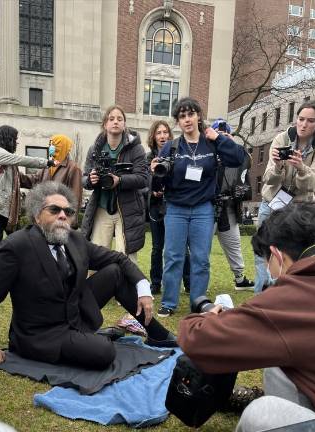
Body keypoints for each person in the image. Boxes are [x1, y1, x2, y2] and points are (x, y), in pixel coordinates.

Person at [0, 182, 176, 370]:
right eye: (54, 210)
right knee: (104, 352)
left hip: (75, 315)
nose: (63, 215)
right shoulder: (16, 246)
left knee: (114, 271)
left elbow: (119, 259)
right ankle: (92, 339)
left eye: (68, 211)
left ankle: (157, 335)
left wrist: (143, 287)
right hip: (42, 334)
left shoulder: (74, 239)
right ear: (36, 215)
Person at [178, 202, 315, 432]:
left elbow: (196, 340)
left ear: (276, 256)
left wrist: (208, 316)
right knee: (279, 366)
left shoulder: (295, 296)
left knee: (261, 414)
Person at [151, 97, 245, 317]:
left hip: (203, 208)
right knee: (173, 256)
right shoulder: (171, 147)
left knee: (201, 257)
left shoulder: (211, 142)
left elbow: (238, 158)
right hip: (176, 208)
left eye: (190, 114)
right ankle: (169, 302)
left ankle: (199, 301)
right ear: (178, 121)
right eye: (182, 116)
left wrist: (219, 139)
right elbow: (158, 184)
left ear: (198, 116)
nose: (187, 119)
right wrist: (154, 172)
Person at [254, 100, 315, 293]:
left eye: (310, 121)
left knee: (296, 256)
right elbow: (268, 180)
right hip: (272, 203)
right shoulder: (282, 138)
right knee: (263, 254)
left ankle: (287, 297)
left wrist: (300, 167)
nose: (304, 124)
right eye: (300, 119)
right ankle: (261, 298)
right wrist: (278, 166)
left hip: (300, 209)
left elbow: (314, 184)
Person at [81, 105, 148, 263]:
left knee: (126, 256)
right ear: (105, 124)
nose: (115, 122)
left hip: (127, 209)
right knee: (97, 252)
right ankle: (96, 287)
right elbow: (84, 179)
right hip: (102, 207)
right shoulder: (94, 149)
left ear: (124, 124)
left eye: (119, 119)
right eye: (111, 119)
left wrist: (120, 180)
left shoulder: (136, 148)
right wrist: (91, 180)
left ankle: (127, 287)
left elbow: (143, 178)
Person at [0, 125, 53, 260]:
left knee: (14, 237)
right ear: (8, 138)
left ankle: (10, 267)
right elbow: (20, 159)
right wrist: (46, 162)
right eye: (15, 139)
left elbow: (17, 178)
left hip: (2, 205)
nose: (16, 142)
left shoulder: (4, 156)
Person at [146, 120, 190, 295]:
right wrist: (152, 183)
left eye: (165, 132)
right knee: (157, 247)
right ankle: (155, 282)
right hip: (156, 207)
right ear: (153, 136)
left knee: (182, 246)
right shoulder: (148, 158)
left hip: (174, 206)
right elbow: (144, 184)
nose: (163, 136)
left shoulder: (178, 154)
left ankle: (188, 281)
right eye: (159, 133)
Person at [211, 118, 254, 291]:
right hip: (209, 205)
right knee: (201, 245)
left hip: (229, 206)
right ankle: (192, 281)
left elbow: (247, 160)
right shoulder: (207, 152)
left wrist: (227, 144)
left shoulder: (236, 152)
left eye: (225, 133)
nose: (221, 136)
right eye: (218, 133)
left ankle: (239, 278)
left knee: (234, 243)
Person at [28, 134, 82, 229]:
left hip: (61, 218)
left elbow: (75, 197)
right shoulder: (48, 166)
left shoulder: (73, 168)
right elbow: (33, 180)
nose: (52, 148)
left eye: (57, 146)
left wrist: (71, 221)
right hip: (45, 216)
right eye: (51, 145)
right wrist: (15, 172)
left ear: (65, 148)